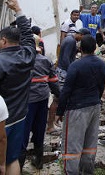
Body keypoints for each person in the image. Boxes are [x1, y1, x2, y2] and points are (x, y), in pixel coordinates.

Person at [0, 0, 37, 175]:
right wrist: (18, 9)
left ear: (3, 41)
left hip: (0, 120)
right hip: (20, 116)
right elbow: (29, 36)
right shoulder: (29, 55)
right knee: (12, 158)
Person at [56, 34, 105, 175]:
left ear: (80, 48)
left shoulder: (75, 66)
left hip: (76, 109)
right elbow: (101, 87)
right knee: (89, 143)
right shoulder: (102, 64)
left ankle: (72, 172)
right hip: (94, 107)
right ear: (95, 47)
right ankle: (87, 171)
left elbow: (66, 90)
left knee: (72, 144)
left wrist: (59, 112)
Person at [20, 39, 60, 170]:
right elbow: (53, 81)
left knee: (24, 132)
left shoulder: (21, 61)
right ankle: (38, 161)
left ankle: (18, 165)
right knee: (39, 129)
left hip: (27, 101)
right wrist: (59, 95)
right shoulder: (45, 60)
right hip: (42, 99)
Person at [48, 28, 89, 135]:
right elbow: (66, 58)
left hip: (63, 70)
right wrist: (73, 70)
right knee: (58, 99)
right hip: (64, 72)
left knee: (60, 98)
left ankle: (56, 122)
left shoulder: (69, 39)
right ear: (80, 34)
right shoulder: (71, 41)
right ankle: (51, 126)